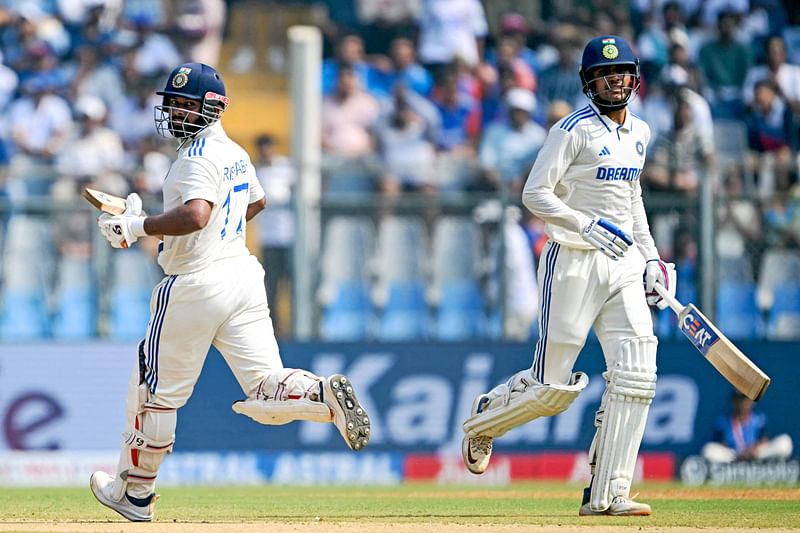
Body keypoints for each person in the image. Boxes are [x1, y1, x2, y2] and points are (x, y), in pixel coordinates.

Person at [89, 62, 371, 522]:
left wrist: (139, 227)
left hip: (195, 284)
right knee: (265, 385)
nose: (175, 112)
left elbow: (198, 214)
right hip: (242, 275)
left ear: (210, 107)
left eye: (184, 104)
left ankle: (135, 495)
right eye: (172, 103)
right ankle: (321, 394)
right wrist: (177, 234)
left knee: (153, 392)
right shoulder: (233, 150)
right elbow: (253, 201)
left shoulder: (194, 157)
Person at [461, 36, 676, 517]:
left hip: (621, 264)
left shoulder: (640, 132)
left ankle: (608, 493)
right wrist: (586, 225)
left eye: (621, 72)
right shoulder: (571, 131)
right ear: (588, 82)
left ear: (635, 78)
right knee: (552, 390)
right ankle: (485, 421)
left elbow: (632, 199)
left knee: (638, 370)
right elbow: (534, 195)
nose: (615, 80)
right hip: (573, 260)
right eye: (605, 75)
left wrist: (652, 258)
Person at [702, 391, 793, 463]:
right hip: (734, 456)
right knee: (708, 450)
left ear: (752, 401)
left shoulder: (759, 420)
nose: (742, 403)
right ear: (733, 401)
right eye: (739, 399)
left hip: (755, 454)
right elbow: (720, 443)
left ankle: (763, 467)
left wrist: (752, 451)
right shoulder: (723, 421)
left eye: (745, 399)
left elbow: (764, 440)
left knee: (785, 442)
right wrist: (739, 454)